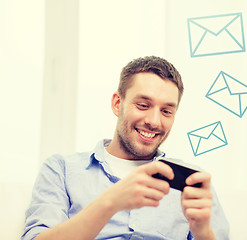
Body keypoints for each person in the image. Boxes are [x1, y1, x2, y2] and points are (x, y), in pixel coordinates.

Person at [21, 56, 229, 240]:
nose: (154, 121)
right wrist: (111, 201)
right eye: (143, 105)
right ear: (117, 103)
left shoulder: (194, 183)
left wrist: (204, 234)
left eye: (166, 111)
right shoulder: (61, 170)